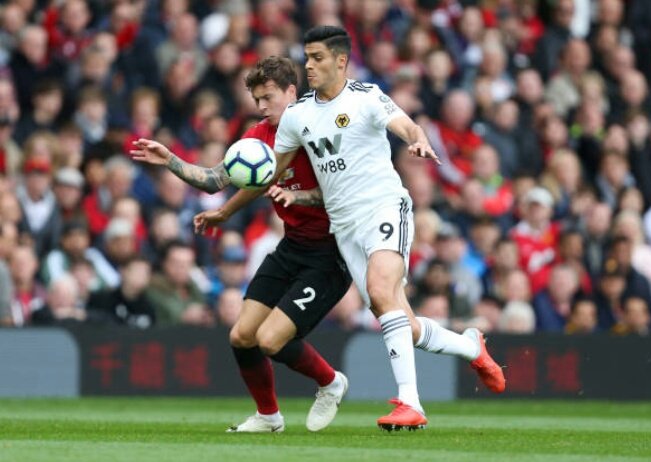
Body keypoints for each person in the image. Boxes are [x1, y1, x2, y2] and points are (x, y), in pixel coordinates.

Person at [265, 26, 505, 430]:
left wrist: (417, 140)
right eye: (306, 57)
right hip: (343, 226)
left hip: (383, 207)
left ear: (340, 61)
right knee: (401, 322)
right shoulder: (297, 116)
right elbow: (272, 169)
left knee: (380, 291)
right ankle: (470, 345)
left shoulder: (367, 98)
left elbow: (408, 127)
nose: (308, 65)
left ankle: (411, 404)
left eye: (318, 57)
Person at [130, 56, 352, 433]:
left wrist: (299, 198)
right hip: (292, 247)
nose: (262, 108)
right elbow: (216, 179)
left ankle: (331, 382)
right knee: (242, 336)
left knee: (270, 339)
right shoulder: (259, 137)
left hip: (330, 255)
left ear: (291, 92)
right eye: (257, 101)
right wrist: (170, 159)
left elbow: (344, 193)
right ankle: (269, 417)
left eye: (268, 98)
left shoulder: (323, 130)